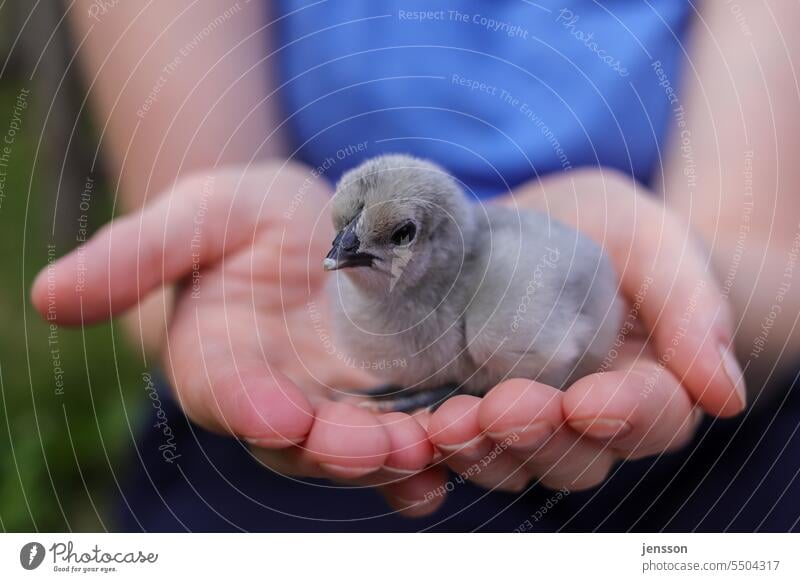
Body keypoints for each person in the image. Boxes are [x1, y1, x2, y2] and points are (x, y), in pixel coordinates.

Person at [33, 1, 800, 531]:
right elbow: (178, 237)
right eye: (344, 234)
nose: (341, 255)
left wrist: (684, 292)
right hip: (304, 410)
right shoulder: (343, 306)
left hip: (694, 430)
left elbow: (771, 268)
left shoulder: (507, 308)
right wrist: (201, 281)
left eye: (388, 236)